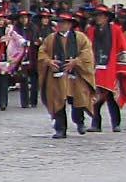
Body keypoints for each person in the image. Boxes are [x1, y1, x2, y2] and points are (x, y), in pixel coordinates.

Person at [39, 9, 95, 140]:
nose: (61, 25)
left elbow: (87, 53)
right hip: (57, 76)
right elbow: (42, 53)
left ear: (70, 24)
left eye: (64, 23)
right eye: (59, 22)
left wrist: (76, 61)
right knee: (57, 101)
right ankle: (60, 129)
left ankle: (79, 121)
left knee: (78, 99)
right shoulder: (50, 39)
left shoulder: (80, 37)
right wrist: (48, 61)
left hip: (76, 75)